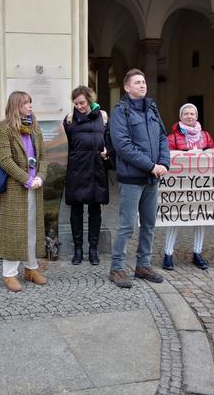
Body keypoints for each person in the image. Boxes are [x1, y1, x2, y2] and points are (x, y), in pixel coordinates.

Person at [108, 68, 170, 288]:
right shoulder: (121, 111)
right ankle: (117, 268)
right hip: (132, 178)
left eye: (144, 81)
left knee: (149, 224)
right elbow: (123, 145)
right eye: (137, 82)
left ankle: (143, 265)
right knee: (127, 225)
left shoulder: (152, 108)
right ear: (127, 87)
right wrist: (150, 165)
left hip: (152, 177)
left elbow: (163, 137)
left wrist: (163, 163)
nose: (143, 85)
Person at [0, 91, 48, 292]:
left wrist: (40, 177)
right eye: (26, 103)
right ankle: (9, 275)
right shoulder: (6, 129)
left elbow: (43, 155)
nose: (30, 107)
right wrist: (26, 179)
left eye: (30, 103)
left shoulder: (34, 126)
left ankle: (31, 269)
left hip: (36, 186)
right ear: (16, 106)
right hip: (16, 187)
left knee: (33, 229)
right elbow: (5, 160)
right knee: (14, 231)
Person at [163, 103, 214, 271]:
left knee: (200, 218)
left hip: (200, 184)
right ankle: (168, 254)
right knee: (175, 217)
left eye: (192, 113)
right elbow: (166, 157)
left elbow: (213, 155)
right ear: (181, 117)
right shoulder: (172, 138)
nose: (190, 116)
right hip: (179, 185)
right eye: (186, 114)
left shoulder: (205, 136)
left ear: (197, 116)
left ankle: (197, 253)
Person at [63, 86, 110, 266]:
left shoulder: (103, 117)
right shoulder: (68, 120)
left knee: (95, 210)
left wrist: (108, 152)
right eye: (76, 103)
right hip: (76, 170)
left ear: (90, 100)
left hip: (96, 169)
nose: (79, 106)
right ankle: (77, 249)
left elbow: (109, 140)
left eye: (82, 102)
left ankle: (93, 249)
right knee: (76, 211)